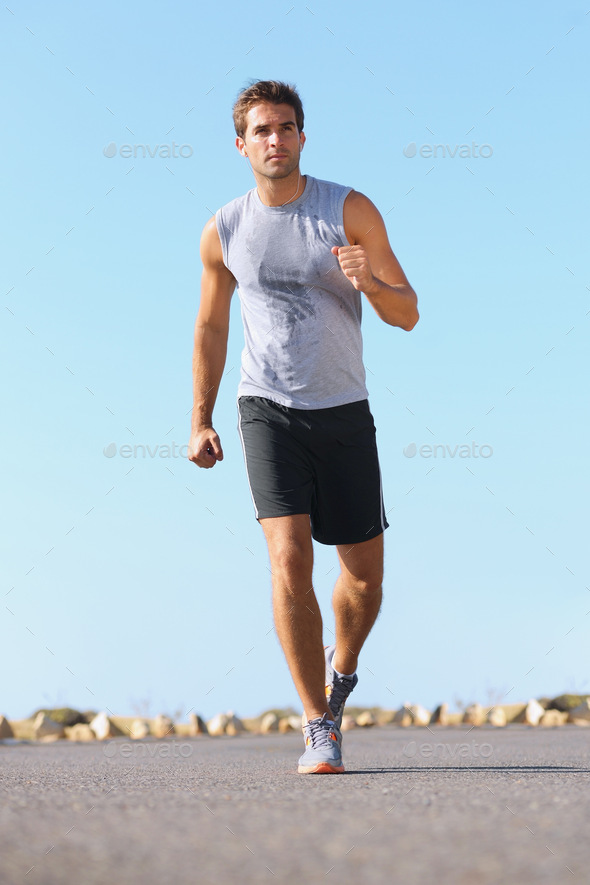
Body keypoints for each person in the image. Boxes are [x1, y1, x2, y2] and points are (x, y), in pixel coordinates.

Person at [188, 80, 418, 774]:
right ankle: (319, 722)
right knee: (288, 559)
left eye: (286, 127)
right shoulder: (223, 228)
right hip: (267, 410)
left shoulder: (348, 210)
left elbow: (407, 312)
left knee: (365, 582)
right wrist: (199, 417)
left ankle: (341, 668)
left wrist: (367, 282)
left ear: (302, 137)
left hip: (344, 412)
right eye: (261, 130)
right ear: (241, 144)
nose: (275, 140)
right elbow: (210, 323)